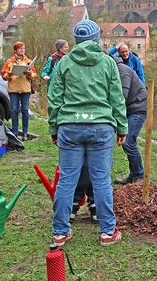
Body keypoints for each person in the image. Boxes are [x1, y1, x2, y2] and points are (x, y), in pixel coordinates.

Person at [48, 20, 128, 247]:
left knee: (67, 180)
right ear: (96, 39)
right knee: (101, 179)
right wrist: (122, 127)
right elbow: (116, 98)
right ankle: (107, 232)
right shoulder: (108, 63)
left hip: (70, 126)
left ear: (76, 40)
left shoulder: (64, 63)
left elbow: (54, 99)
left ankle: (60, 232)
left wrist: (54, 127)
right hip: (101, 127)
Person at [113, 55, 148, 185]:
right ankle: (133, 175)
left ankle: (139, 176)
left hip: (138, 109)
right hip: (130, 109)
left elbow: (122, 95)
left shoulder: (122, 70)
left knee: (128, 142)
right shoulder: (116, 69)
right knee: (127, 143)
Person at [1, 41, 37, 140]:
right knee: (14, 110)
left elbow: (35, 75)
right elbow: (4, 75)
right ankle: (15, 132)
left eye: (24, 49)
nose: (23, 50)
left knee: (25, 110)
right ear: (15, 50)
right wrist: (9, 74)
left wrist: (29, 74)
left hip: (25, 89)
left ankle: (25, 133)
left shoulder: (28, 61)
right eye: (21, 48)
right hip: (13, 89)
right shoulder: (9, 62)